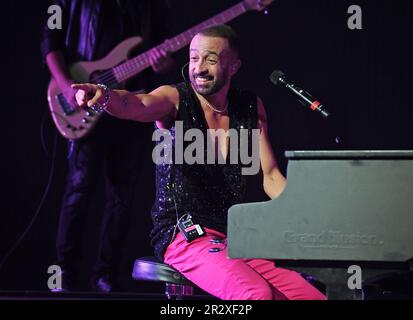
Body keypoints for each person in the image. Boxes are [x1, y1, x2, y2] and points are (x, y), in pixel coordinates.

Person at [71, 24, 326, 300]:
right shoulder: (176, 99)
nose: (199, 67)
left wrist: (306, 216)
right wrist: (104, 95)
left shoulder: (249, 106)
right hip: (183, 234)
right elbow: (136, 104)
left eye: (211, 60)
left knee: (310, 296)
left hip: (236, 235)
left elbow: (272, 176)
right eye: (194, 58)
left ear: (233, 67)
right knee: (256, 295)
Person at [41, 0, 174, 292]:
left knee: (123, 197)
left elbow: (164, 48)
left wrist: (164, 61)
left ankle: (106, 276)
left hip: (132, 103)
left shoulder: (152, 6)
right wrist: (66, 87)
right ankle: (64, 275)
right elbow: (50, 40)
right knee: (78, 190)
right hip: (83, 103)